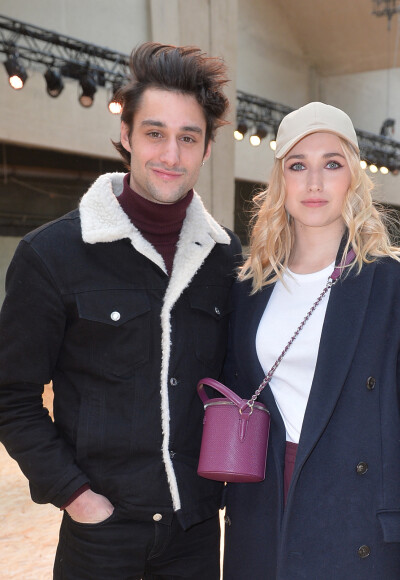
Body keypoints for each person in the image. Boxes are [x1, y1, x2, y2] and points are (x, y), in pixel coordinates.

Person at [0, 42, 241, 579]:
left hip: (196, 534)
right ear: (127, 136)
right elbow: (11, 396)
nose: (170, 155)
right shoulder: (51, 254)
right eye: (155, 134)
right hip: (100, 537)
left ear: (207, 149)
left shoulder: (227, 261)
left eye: (188, 138)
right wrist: (77, 497)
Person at [221, 102, 400, 579]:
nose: (313, 182)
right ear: (279, 180)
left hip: (357, 523)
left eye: (332, 164)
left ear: (354, 177)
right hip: (263, 510)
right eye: (297, 165)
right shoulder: (249, 286)